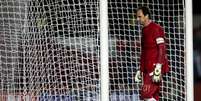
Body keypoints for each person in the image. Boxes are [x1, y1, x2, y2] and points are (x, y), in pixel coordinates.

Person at [134, 6, 170, 101]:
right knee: (154, 97)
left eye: (139, 16)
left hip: (154, 68)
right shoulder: (143, 30)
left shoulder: (156, 28)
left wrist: (159, 66)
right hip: (146, 68)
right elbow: (144, 51)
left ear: (146, 16)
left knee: (145, 95)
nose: (137, 19)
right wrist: (140, 69)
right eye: (137, 17)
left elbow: (162, 48)